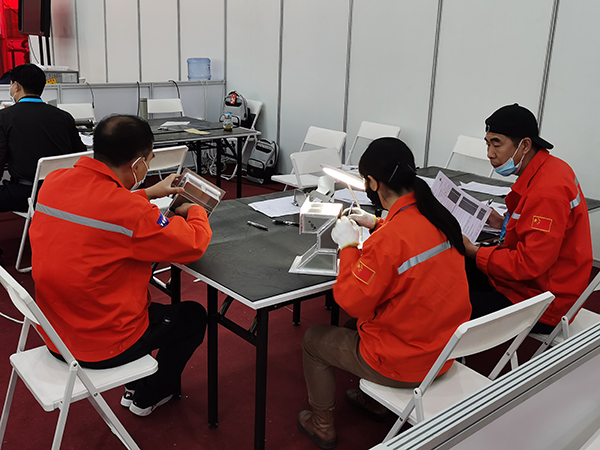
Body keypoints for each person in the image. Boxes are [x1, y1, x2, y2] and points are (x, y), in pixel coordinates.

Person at [29, 114, 213, 416]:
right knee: (192, 317)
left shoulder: (54, 182)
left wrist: (147, 193)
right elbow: (192, 244)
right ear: (138, 164)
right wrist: (196, 210)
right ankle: (147, 395)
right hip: (102, 344)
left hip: (56, 331)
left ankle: (134, 386)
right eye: (149, 161)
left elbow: (99, 208)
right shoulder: (131, 213)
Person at [297, 137, 471, 449]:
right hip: (443, 350)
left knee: (313, 339)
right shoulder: (439, 218)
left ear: (373, 183)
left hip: (406, 362)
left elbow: (351, 300)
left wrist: (349, 245)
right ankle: (374, 402)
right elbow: (408, 245)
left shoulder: (389, 240)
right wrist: (377, 223)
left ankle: (322, 425)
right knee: (353, 327)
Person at [463, 103, 593, 334]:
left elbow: (529, 264)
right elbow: (533, 225)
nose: (489, 154)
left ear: (524, 145)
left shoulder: (547, 191)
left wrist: (475, 252)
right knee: (451, 269)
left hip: (542, 302)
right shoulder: (549, 167)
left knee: (446, 303)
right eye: (487, 143)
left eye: (496, 144)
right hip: (534, 284)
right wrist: (502, 222)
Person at [0, 63, 86, 212]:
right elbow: (80, 154)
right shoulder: (64, 117)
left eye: (11, 84)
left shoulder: (4, 117)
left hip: (25, 196)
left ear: (17, 86)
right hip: (61, 192)